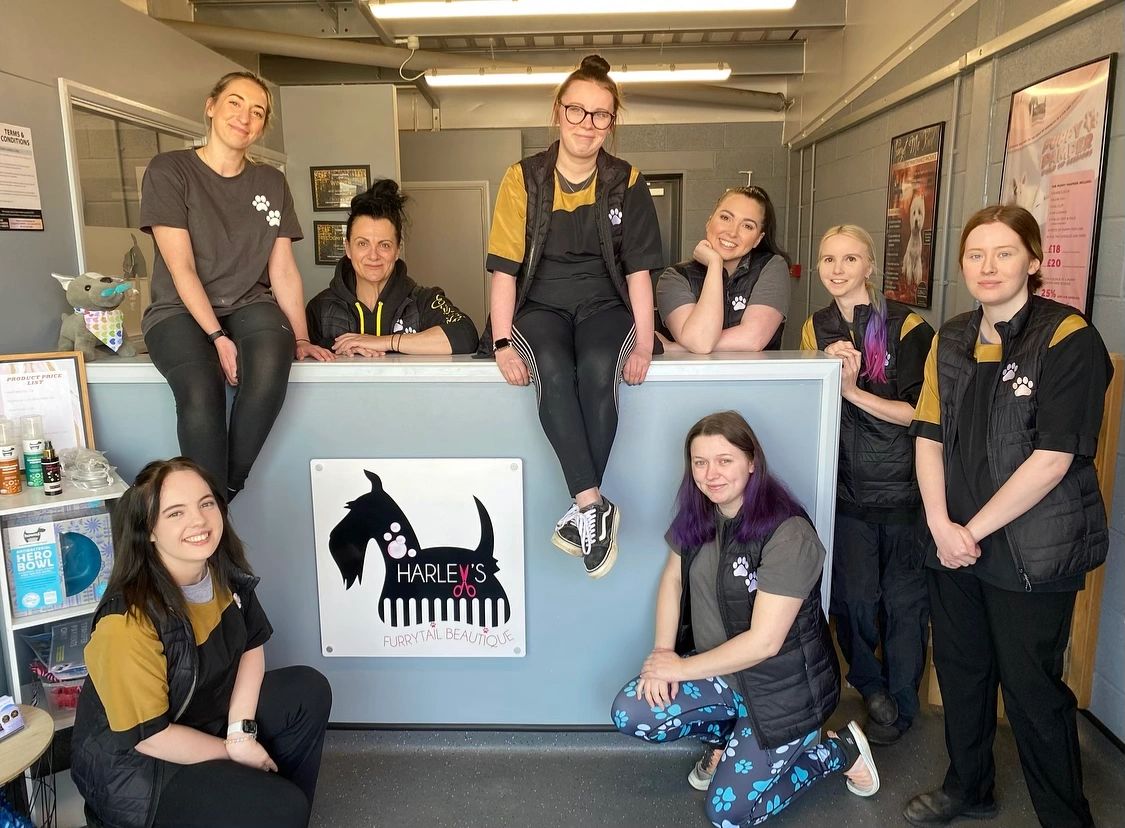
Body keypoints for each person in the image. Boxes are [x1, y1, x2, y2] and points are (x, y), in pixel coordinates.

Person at [907, 205, 1111, 827]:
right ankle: (968, 787)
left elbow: (1053, 458)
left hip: (1031, 547)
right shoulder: (951, 337)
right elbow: (928, 435)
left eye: (1004, 253)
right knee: (962, 673)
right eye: (976, 254)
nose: (988, 266)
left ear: (1034, 259)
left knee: (1031, 690)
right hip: (952, 541)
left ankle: (1065, 817)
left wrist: (968, 532)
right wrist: (940, 525)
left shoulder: (1067, 336)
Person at [611, 411, 879, 826]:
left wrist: (678, 668)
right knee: (632, 711)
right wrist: (663, 652)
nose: (710, 474)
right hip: (721, 674)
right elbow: (673, 580)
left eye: (725, 460)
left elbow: (765, 642)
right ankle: (727, 739)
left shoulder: (788, 533)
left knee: (728, 815)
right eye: (700, 462)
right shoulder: (699, 514)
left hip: (782, 696)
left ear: (752, 461)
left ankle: (835, 752)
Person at [71, 458, 332, 828]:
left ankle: (274, 806)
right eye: (175, 513)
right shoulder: (125, 624)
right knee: (281, 806)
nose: (199, 520)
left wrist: (241, 735)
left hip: (201, 717)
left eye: (206, 503)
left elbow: (252, 644)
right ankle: (273, 806)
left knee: (307, 690)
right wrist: (231, 752)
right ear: (149, 530)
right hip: (140, 769)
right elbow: (150, 738)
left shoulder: (221, 572)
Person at [482, 54, 664, 578]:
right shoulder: (523, 179)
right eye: (577, 111)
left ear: (612, 121)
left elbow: (638, 272)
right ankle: (593, 505)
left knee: (600, 367)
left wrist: (645, 341)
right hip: (540, 303)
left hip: (605, 304)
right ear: (558, 112)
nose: (587, 124)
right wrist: (501, 341)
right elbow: (504, 269)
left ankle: (583, 511)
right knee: (554, 370)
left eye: (601, 114)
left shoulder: (627, 181)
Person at [141, 72, 333, 502]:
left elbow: (283, 270)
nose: (244, 117)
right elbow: (181, 267)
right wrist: (217, 337)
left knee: (273, 358)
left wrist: (302, 338)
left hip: (248, 302)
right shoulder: (170, 170)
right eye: (234, 103)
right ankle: (212, 515)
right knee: (200, 388)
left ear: (262, 127)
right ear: (211, 106)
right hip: (178, 308)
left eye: (257, 112)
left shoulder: (271, 183)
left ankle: (221, 495)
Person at [799, 225, 933, 746]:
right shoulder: (815, 327)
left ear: (870, 266)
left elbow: (919, 415)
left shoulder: (907, 326)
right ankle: (872, 687)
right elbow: (809, 406)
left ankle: (901, 704)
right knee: (853, 603)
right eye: (828, 259)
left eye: (850, 259)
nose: (837, 269)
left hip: (904, 492)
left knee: (903, 606)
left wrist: (852, 390)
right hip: (846, 493)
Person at [305, 179, 479, 355]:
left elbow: (465, 335)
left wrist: (385, 342)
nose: (373, 256)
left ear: (397, 250)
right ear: (348, 248)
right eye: (363, 244)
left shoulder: (423, 301)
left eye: (384, 245)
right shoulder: (320, 308)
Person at [657, 185, 790, 353]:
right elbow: (700, 341)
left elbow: (753, 339)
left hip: (752, 371)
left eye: (747, 226)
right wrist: (715, 265)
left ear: (758, 239)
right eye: (726, 218)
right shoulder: (675, 278)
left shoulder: (772, 267)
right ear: (709, 222)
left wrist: (676, 349)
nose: (732, 232)